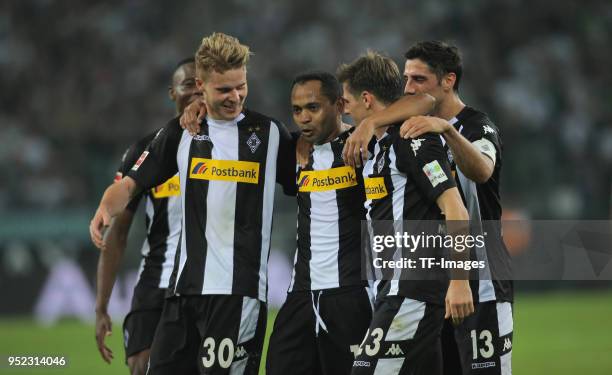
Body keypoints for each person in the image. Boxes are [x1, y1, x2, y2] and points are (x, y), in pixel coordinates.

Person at [90, 32, 296, 374]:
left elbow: (310, 172)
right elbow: (129, 185)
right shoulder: (180, 132)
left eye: (241, 86)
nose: (236, 97)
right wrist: (104, 208)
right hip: (182, 293)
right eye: (224, 90)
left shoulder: (270, 133)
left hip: (238, 295)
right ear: (201, 85)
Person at [345, 41, 513, 375]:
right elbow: (416, 102)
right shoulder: (411, 126)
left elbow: (481, 171)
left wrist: (448, 130)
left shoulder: (478, 127)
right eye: (406, 78)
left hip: (480, 278)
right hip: (437, 281)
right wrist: (366, 124)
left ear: (448, 81)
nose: (408, 88)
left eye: (418, 79)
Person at [94, 57, 199, 375]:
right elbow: (118, 234)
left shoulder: (229, 146)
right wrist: (101, 307)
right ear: (172, 93)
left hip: (206, 281)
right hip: (157, 279)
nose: (194, 92)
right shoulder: (146, 152)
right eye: (187, 85)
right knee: (142, 366)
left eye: (200, 84)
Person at [266, 71, 373, 375]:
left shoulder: (364, 147)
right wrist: (199, 108)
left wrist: (371, 123)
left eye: (313, 108)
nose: (303, 118)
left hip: (351, 293)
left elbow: (422, 101)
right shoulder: (291, 152)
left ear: (339, 105)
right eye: (297, 110)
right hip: (300, 296)